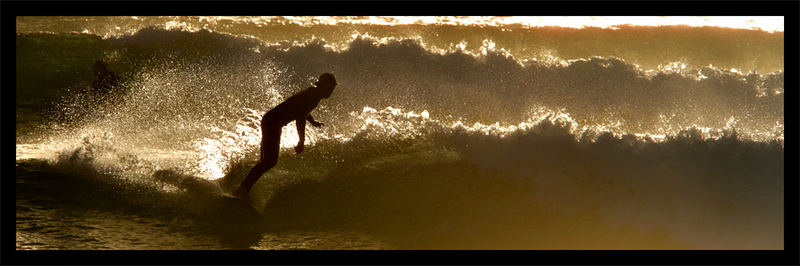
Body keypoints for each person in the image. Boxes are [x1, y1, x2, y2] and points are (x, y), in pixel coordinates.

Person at [233, 73, 338, 200]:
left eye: (332, 89)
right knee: (270, 161)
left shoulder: (313, 95)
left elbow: (304, 112)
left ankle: (244, 189)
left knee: (267, 161)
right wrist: (301, 140)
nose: (330, 91)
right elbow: (300, 117)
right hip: (272, 122)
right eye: (329, 88)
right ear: (321, 85)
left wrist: (313, 122)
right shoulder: (312, 96)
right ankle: (242, 189)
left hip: (273, 122)